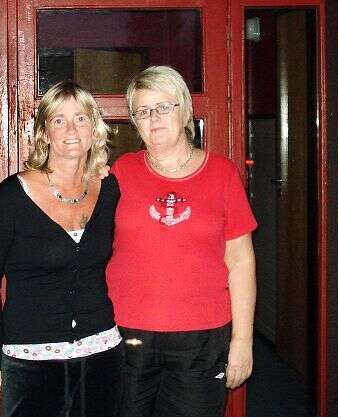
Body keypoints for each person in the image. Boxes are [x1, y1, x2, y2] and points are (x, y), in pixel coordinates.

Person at [106, 66, 257, 417]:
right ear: (135, 122)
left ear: (185, 110)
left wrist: (243, 341)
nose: (153, 118)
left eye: (163, 107)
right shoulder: (120, 172)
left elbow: (241, 261)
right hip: (127, 334)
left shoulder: (222, 173)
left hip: (201, 338)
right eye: (143, 111)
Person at [0, 81, 122, 417]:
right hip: (31, 361)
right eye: (59, 120)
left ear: (94, 129)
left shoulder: (110, 188)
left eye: (81, 118)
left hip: (101, 356)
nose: (71, 129)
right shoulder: (13, 195)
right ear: (44, 133)